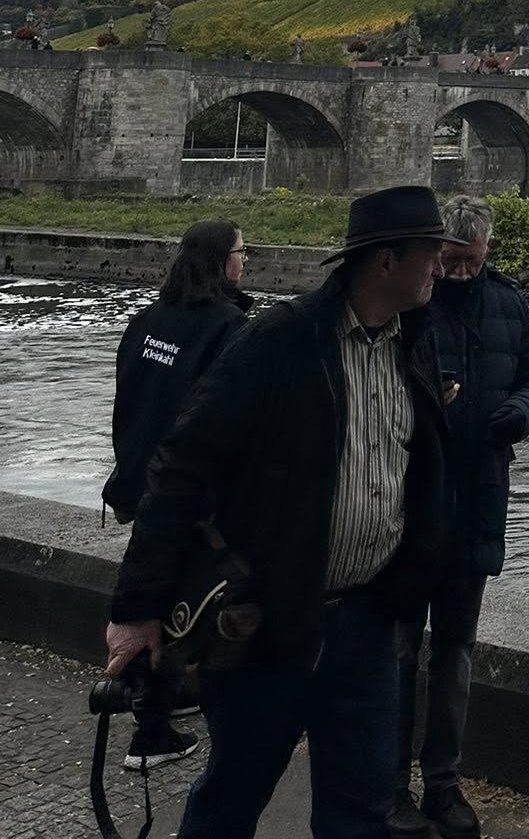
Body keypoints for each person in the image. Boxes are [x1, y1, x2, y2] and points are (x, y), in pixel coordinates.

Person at [102, 185, 450, 839]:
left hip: (370, 623)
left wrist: (416, 574)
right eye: (430, 253)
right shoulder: (279, 341)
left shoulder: (415, 340)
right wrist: (136, 606)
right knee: (232, 799)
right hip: (270, 623)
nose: (441, 266)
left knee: (362, 813)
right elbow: (181, 465)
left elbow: (423, 468)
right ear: (385, 261)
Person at [392, 196, 529, 839]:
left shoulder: (508, 304)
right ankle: (390, 782)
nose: (460, 273)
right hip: (409, 503)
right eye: (451, 261)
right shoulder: (408, 306)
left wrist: (521, 413)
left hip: (479, 497)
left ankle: (443, 783)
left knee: (455, 650)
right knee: (399, 650)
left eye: (472, 262)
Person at [102, 219, 254, 772]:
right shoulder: (228, 326)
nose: (246, 261)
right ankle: (150, 731)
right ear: (221, 261)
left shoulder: (145, 320)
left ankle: (158, 702)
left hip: (138, 477)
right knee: (184, 598)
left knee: (155, 588)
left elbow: (125, 397)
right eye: (242, 251)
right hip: (186, 488)